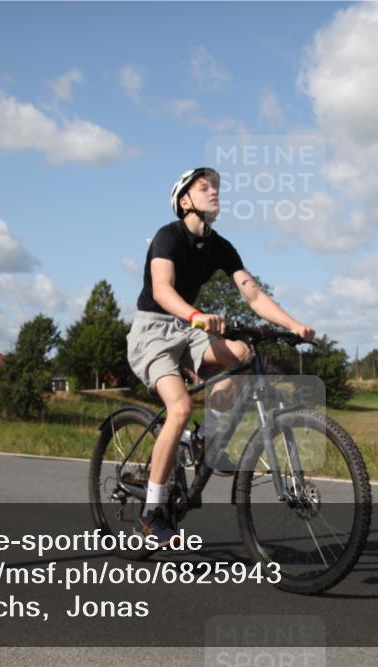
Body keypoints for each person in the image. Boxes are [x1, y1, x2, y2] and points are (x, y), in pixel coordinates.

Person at [127, 167, 316, 544]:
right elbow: (162, 290)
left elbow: (253, 295)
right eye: (204, 187)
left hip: (187, 330)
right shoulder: (169, 237)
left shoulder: (220, 246)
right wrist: (197, 316)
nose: (214, 192)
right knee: (179, 408)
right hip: (152, 331)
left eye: (216, 187)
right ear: (185, 201)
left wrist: (295, 325)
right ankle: (150, 512)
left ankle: (206, 440)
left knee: (241, 353)